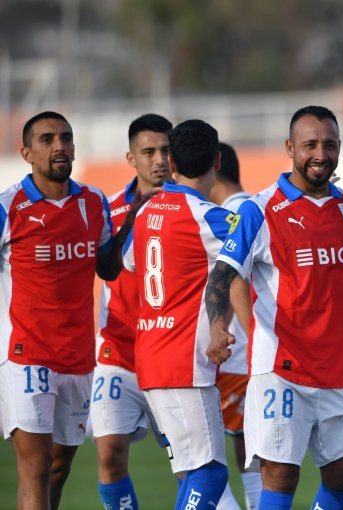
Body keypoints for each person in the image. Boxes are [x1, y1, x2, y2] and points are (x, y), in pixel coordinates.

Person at [205, 106, 343, 510]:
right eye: (310, 145)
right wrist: (217, 327)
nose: (320, 153)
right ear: (289, 148)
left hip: (338, 370)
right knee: (280, 473)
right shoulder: (259, 210)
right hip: (282, 368)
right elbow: (221, 277)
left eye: (329, 144)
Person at [0, 111, 133, 510]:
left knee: (59, 467)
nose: (59, 145)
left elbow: (107, 267)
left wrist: (137, 212)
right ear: (26, 152)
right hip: (25, 354)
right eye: (47, 139)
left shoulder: (93, 203)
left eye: (66, 137)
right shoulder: (10, 207)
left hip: (77, 357)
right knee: (36, 467)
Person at [123, 119, 234, 510]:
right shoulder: (206, 216)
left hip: (151, 354)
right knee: (211, 472)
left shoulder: (145, 211)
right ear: (217, 161)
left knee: (192, 472)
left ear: (172, 165)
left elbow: (130, 262)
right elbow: (252, 238)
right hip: (183, 360)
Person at [92, 113, 172, 510]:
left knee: (193, 467)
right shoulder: (107, 212)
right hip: (117, 355)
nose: (159, 160)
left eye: (166, 150)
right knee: (109, 456)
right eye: (149, 151)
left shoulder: (191, 208)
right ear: (131, 158)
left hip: (171, 358)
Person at [208, 142, 262, 510]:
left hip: (233, 354)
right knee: (249, 446)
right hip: (248, 353)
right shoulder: (258, 206)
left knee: (194, 454)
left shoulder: (224, 217)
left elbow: (231, 279)